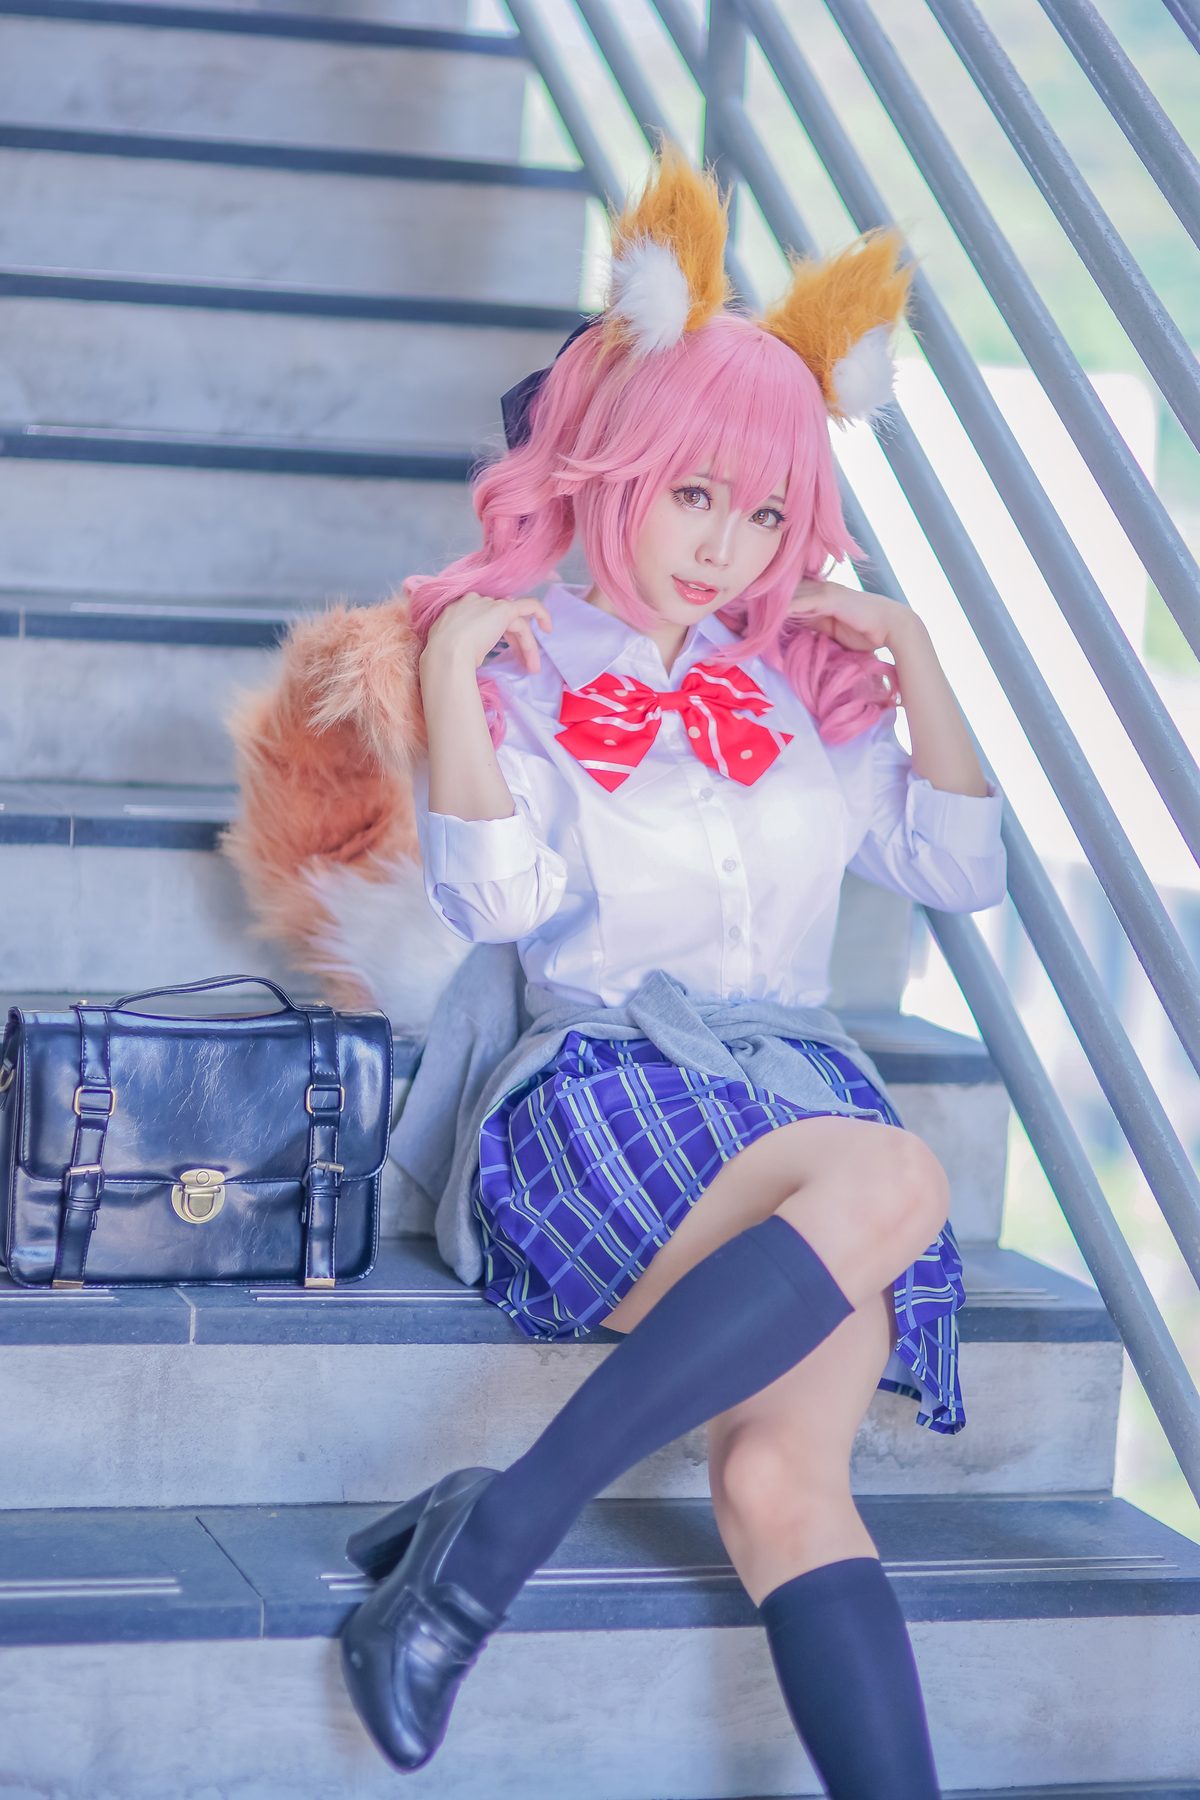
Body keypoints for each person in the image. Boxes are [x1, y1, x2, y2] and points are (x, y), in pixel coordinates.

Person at [332, 141, 1006, 1793]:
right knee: (896, 1173)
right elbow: (498, 903)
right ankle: (491, 1551)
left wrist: (919, 659)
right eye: (695, 493)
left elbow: (959, 868)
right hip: (598, 1094)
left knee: (780, 1488)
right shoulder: (519, 659)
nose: (724, 545)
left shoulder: (791, 684)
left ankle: (482, 1535)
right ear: (617, 465)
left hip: (790, 1104)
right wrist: (452, 690)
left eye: (765, 510)